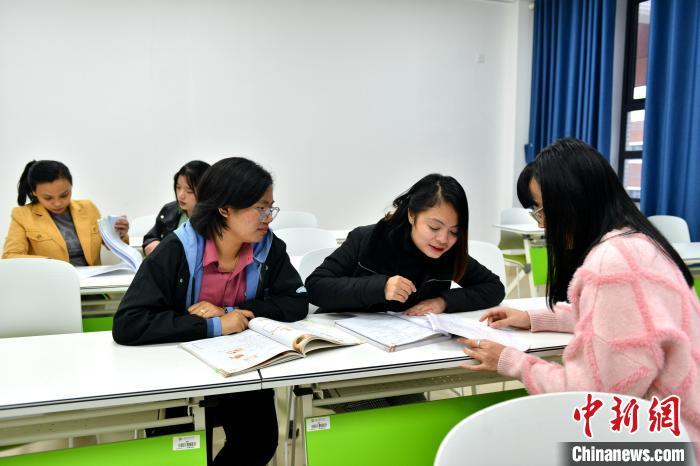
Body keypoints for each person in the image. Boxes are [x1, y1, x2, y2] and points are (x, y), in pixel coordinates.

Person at [460, 138, 699, 450]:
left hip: (666, 442)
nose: (542, 224)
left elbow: (593, 397)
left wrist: (510, 362)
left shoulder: (612, 265)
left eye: (542, 210)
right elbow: (620, 319)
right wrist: (533, 318)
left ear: (574, 201)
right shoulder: (638, 242)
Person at [112, 157, 308, 466]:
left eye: (271, 207)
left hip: (243, 366)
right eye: (260, 208)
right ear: (225, 209)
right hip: (181, 368)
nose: (268, 218)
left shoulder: (268, 246)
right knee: (180, 450)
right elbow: (129, 324)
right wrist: (215, 326)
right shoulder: (176, 249)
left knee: (259, 441)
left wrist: (232, 312)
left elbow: (296, 301)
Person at [306, 173, 505, 315]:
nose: (444, 240)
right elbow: (316, 287)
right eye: (434, 227)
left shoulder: (448, 253)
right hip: (348, 345)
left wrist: (443, 301)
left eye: (454, 231)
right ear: (412, 214)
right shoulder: (367, 239)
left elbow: (493, 288)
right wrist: (381, 287)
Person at [3, 160, 129, 265]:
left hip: (91, 285)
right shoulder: (22, 215)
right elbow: (10, 256)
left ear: (71, 187)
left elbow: (112, 246)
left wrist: (119, 234)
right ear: (34, 192)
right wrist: (52, 264)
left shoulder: (88, 208)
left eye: (64, 195)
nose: (58, 203)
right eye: (48, 198)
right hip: (49, 284)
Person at [142, 160, 211, 256]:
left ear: (205, 191)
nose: (181, 195)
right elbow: (150, 237)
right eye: (178, 187)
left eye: (189, 191)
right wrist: (152, 244)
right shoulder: (169, 210)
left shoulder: (214, 219)